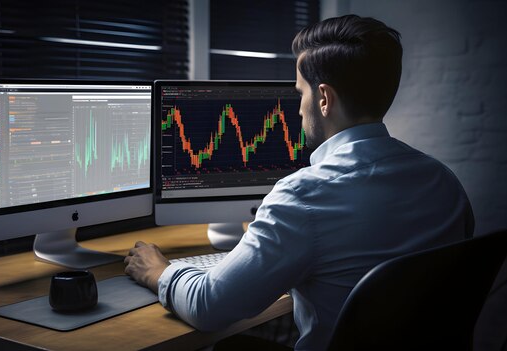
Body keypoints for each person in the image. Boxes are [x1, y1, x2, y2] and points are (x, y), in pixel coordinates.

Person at [124, 14, 475, 351]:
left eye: (300, 93)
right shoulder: (443, 182)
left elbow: (208, 307)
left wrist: (159, 271)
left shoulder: (303, 196)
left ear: (324, 98)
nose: (298, 110)